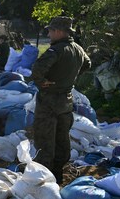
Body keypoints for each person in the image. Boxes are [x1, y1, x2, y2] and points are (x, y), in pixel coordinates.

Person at [32, 16, 91, 183]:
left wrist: (42, 82)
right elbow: (87, 64)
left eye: (50, 31)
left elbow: (37, 69)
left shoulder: (56, 50)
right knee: (62, 137)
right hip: (67, 99)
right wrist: (70, 76)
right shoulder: (78, 49)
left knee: (45, 138)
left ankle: (44, 177)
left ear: (58, 31)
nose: (49, 34)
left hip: (49, 100)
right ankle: (59, 174)